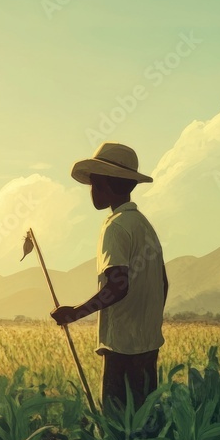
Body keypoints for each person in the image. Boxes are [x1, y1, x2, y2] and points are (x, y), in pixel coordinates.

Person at [50, 142, 168, 413]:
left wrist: (75, 313)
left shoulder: (115, 227)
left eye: (95, 184)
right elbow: (163, 283)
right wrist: (148, 322)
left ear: (108, 185)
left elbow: (118, 285)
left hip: (122, 348)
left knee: (118, 425)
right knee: (144, 422)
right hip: (148, 345)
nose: (92, 191)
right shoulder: (144, 226)